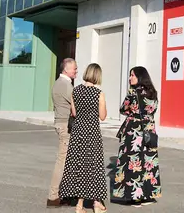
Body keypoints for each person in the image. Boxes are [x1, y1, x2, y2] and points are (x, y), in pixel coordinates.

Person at [59, 64, 108, 213]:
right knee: (93, 166)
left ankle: (80, 205)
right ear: (98, 76)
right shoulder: (98, 93)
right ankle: (96, 203)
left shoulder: (76, 91)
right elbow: (103, 116)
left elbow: (74, 112)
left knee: (79, 165)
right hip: (92, 132)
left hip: (78, 132)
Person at [114, 66, 162, 207]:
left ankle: (135, 197)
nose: (130, 78)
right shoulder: (153, 93)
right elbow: (153, 110)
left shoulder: (133, 93)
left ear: (140, 77)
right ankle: (148, 196)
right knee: (148, 161)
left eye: (132, 75)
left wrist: (132, 111)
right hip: (149, 130)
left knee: (133, 161)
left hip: (134, 129)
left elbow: (123, 109)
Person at [48, 58, 77, 208]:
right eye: (74, 68)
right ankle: (53, 196)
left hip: (62, 123)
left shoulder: (60, 83)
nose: (76, 71)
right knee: (62, 160)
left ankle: (64, 193)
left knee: (66, 160)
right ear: (66, 69)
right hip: (65, 125)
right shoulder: (65, 85)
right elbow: (76, 105)